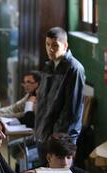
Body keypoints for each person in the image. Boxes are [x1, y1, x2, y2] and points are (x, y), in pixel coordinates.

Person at [35, 27, 85, 163]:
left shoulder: (74, 69)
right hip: (43, 134)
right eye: (47, 44)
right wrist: (39, 131)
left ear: (65, 45)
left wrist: (56, 138)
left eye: (55, 45)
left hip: (61, 138)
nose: (50, 49)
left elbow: (71, 111)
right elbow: (43, 102)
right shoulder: (48, 66)